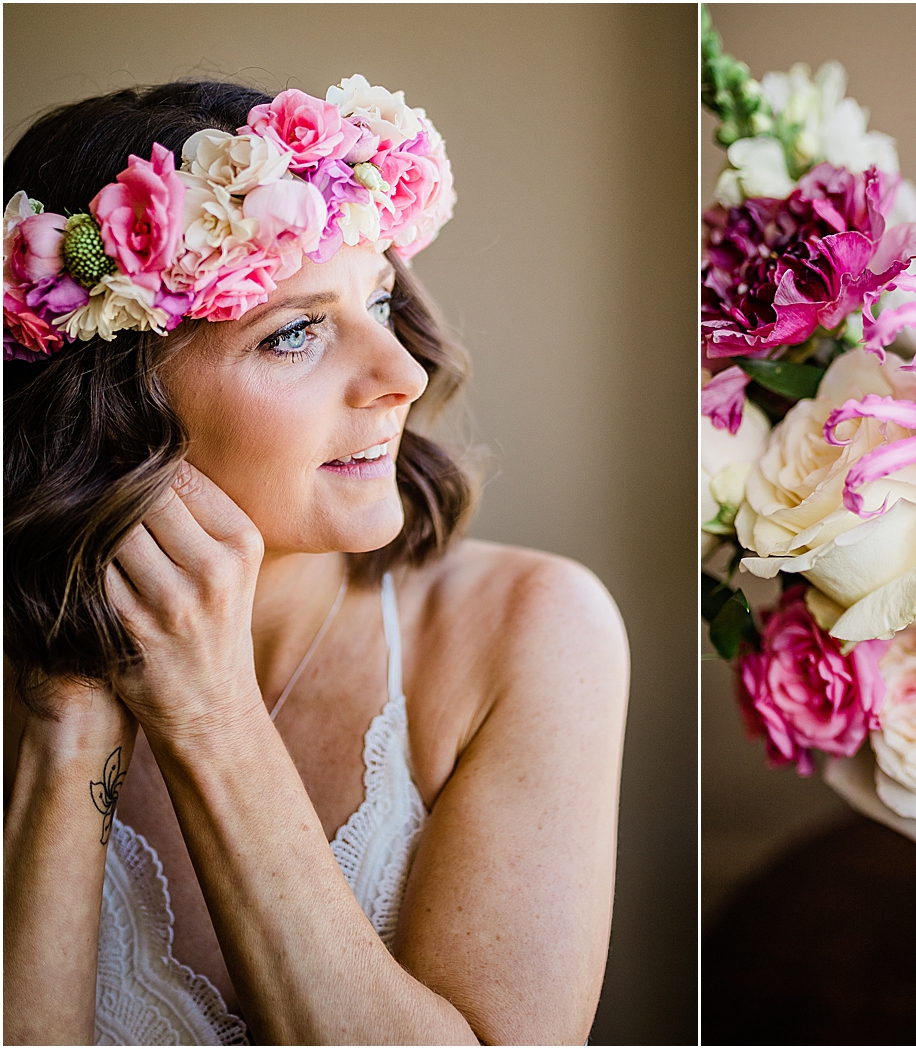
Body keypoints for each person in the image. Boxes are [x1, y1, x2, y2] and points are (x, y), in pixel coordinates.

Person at [2, 78, 629, 1046]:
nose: (402, 376)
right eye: (293, 331)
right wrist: (63, 742)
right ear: (113, 412)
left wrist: (210, 713)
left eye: (378, 298)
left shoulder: (537, 629)